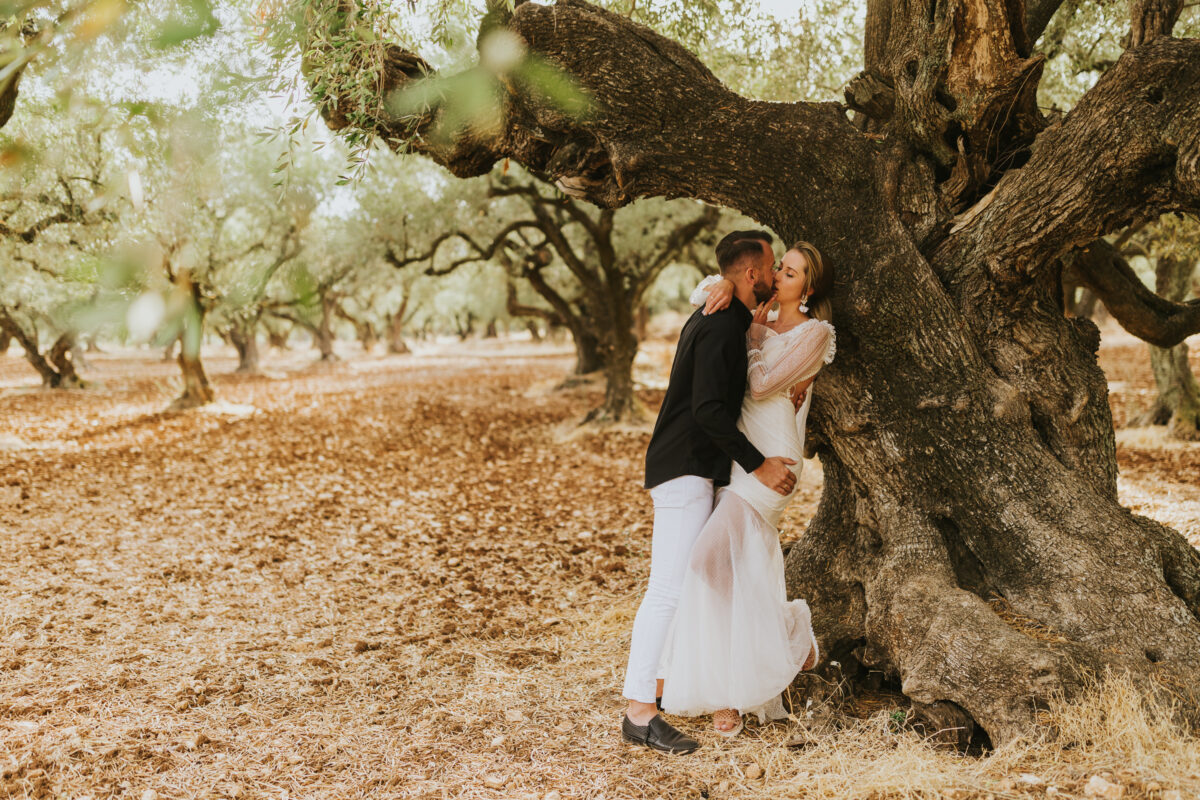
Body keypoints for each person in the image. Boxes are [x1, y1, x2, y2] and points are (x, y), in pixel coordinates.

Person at [620, 231, 798, 754]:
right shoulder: (720, 325)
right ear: (751, 273)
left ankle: (658, 686)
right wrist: (759, 464)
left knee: (685, 585)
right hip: (685, 469)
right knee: (668, 590)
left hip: (688, 466)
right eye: (770, 266)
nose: (773, 274)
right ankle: (638, 712)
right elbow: (708, 412)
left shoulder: (718, 313)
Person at [658, 240, 836, 737]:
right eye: (779, 267)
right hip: (740, 458)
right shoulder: (755, 313)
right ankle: (756, 664)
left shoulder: (814, 333)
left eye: (792, 273)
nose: (779, 275)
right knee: (732, 568)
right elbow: (713, 291)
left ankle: (768, 654)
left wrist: (754, 334)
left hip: (772, 459)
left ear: (808, 289)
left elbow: (760, 386)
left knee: (706, 559)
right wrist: (720, 284)